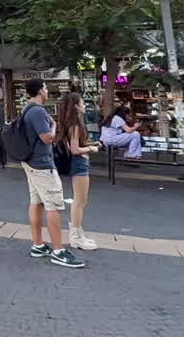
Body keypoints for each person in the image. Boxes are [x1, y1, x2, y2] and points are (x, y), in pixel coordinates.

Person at [20, 78, 83, 268]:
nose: (47, 91)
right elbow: (47, 138)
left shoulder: (26, 108)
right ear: (40, 91)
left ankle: (38, 245)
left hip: (30, 162)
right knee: (53, 206)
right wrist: (54, 126)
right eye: (46, 88)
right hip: (42, 164)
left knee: (36, 202)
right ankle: (58, 251)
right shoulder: (38, 111)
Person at [57, 93, 100, 251]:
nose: (84, 105)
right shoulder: (75, 125)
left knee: (80, 201)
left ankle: (78, 234)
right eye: (82, 102)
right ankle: (76, 237)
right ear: (76, 105)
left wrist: (88, 144)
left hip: (78, 163)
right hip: (80, 163)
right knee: (80, 201)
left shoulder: (70, 123)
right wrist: (91, 148)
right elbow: (74, 149)